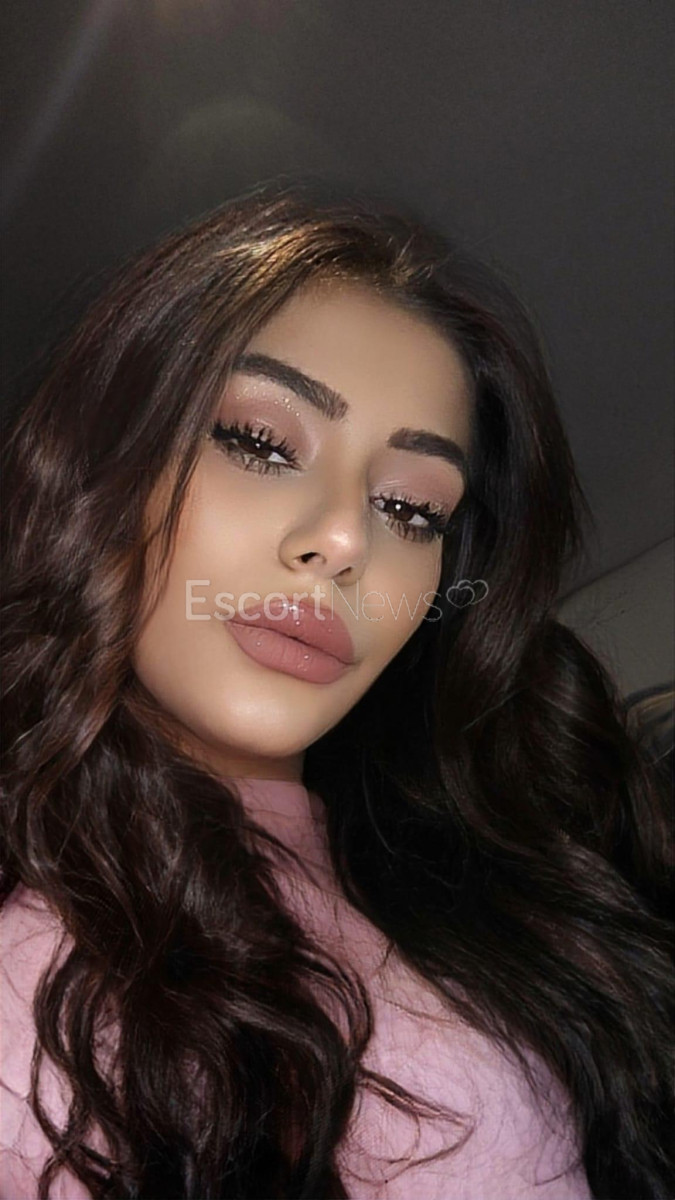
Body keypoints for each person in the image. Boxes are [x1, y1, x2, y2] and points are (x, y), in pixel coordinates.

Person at [0, 179, 672, 1200]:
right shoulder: (32, 972)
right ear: (105, 472)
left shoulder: (478, 864)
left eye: (411, 510)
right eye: (261, 444)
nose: (347, 539)